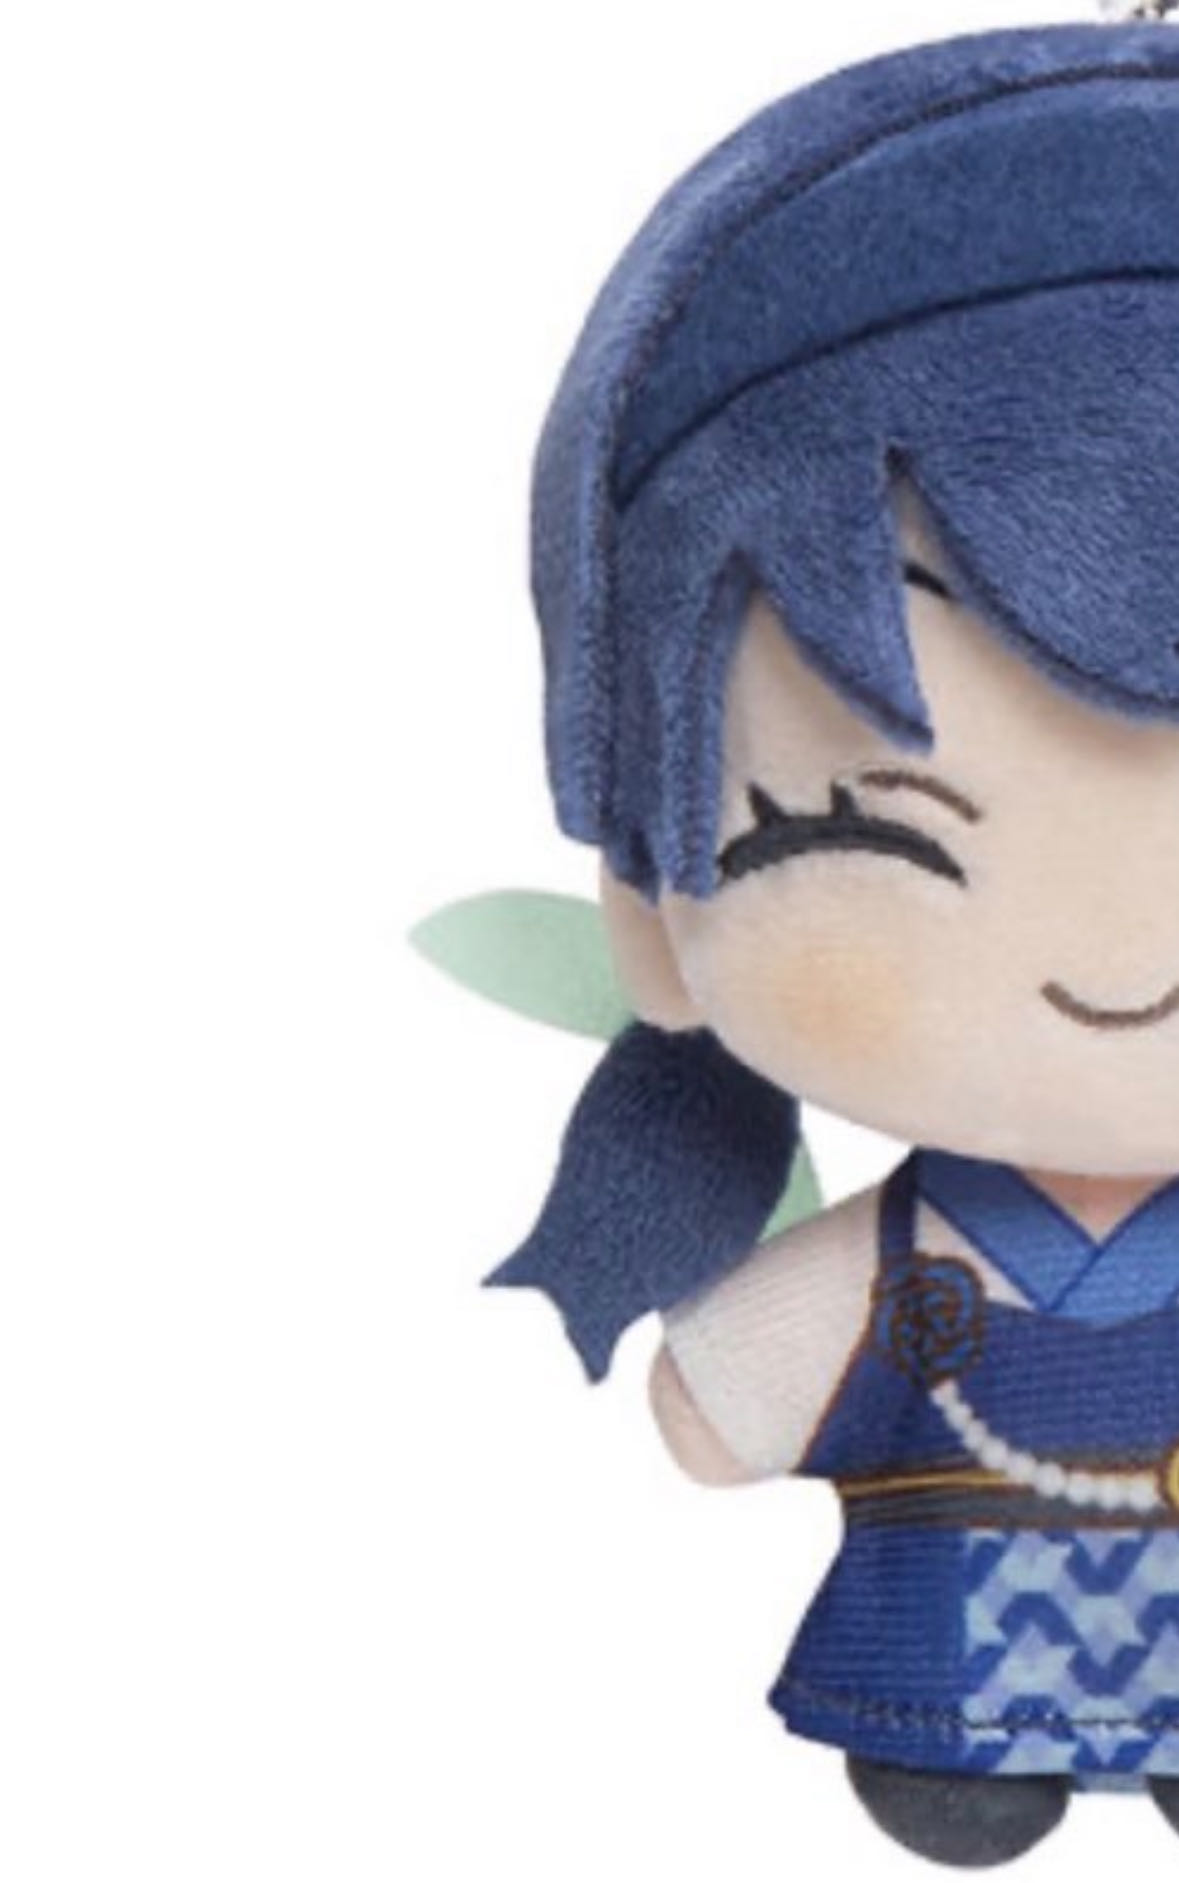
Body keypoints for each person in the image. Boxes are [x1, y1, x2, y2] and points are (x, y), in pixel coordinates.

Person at [492, 18, 1179, 1863]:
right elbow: (733, 1392)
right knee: (954, 1761)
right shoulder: (906, 1254)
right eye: (873, 830)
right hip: (942, 1638)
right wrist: (738, 1376)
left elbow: (715, 1414)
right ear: (655, 896)